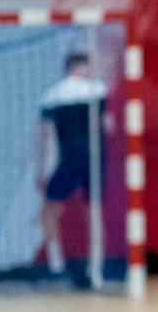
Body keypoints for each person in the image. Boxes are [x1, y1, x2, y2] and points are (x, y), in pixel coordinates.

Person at [37, 50, 109, 286]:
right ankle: (96, 268)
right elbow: (106, 125)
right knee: (94, 212)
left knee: (49, 209)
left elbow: (45, 135)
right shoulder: (97, 89)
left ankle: (56, 263)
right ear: (80, 67)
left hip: (68, 158)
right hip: (93, 159)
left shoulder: (52, 94)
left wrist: (41, 170)